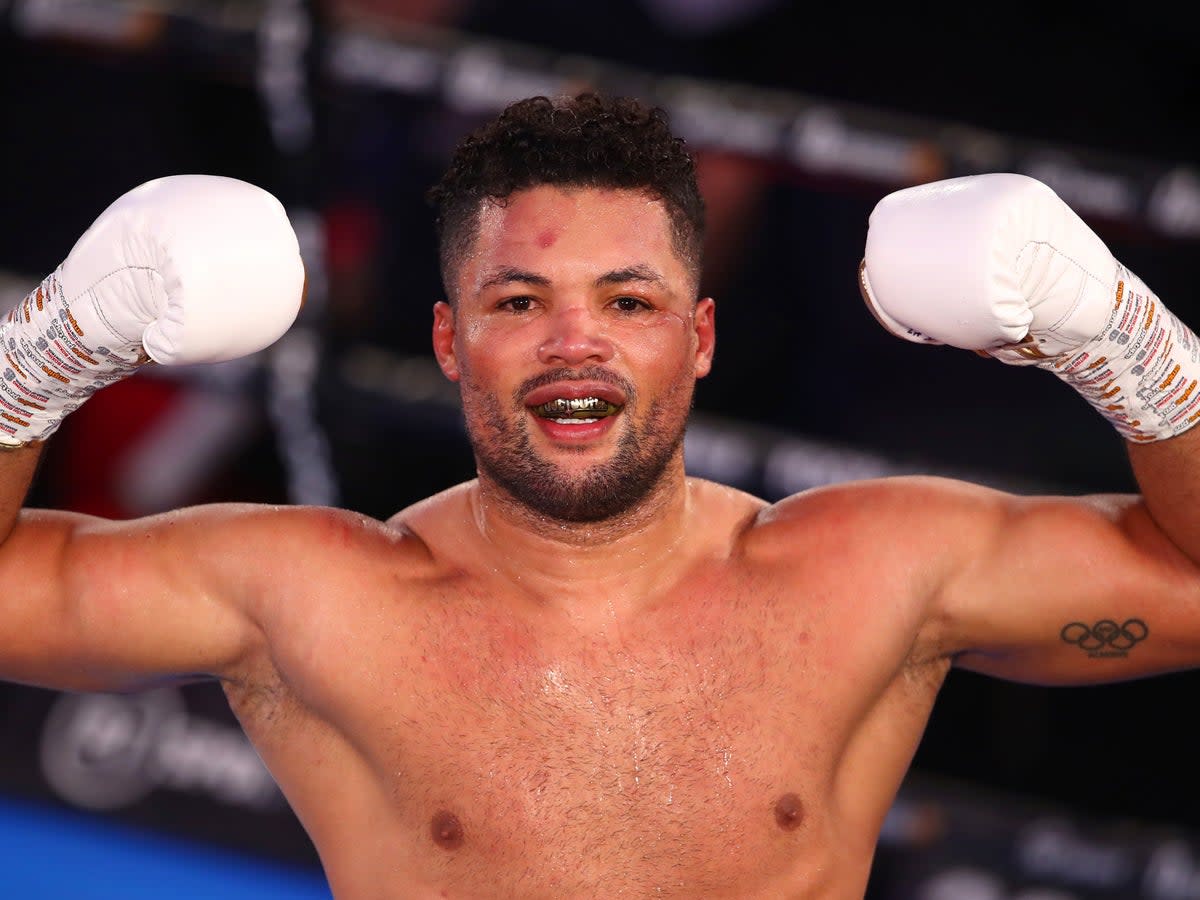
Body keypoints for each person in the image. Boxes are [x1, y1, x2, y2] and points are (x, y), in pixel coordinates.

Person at [2, 92, 1199, 900]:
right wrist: (46, 352)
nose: (575, 344)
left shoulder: (872, 573)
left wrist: (1123, 342)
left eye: (628, 302)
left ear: (701, 337)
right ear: (449, 341)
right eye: (519, 303)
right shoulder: (315, 599)